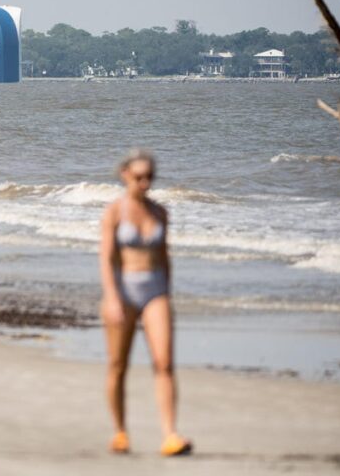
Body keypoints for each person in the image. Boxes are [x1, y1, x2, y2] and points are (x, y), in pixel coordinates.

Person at [98, 149, 192, 457]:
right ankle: (120, 432)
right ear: (125, 174)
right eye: (139, 177)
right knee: (117, 365)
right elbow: (107, 258)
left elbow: (165, 258)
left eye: (150, 177)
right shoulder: (114, 211)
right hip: (123, 291)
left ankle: (170, 435)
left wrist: (167, 292)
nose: (145, 183)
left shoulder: (160, 212)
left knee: (164, 363)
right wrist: (111, 297)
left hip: (155, 291)